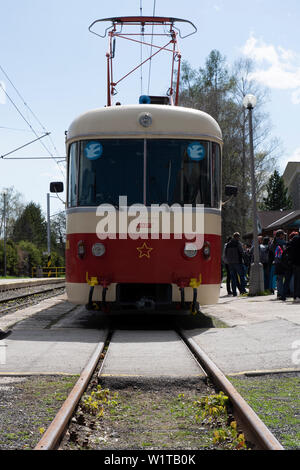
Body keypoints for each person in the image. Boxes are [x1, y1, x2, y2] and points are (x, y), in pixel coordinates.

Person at [225, 232, 247, 296]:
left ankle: (234, 292)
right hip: (238, 262)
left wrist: (228, 261)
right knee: (241, 277)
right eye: (239, 237)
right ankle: (242, 291)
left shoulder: (228, 244)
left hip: (230, 263)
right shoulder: (238, 243)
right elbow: (242, 252)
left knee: (233, 278)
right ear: (237, 237)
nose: (239, 238)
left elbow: (226, 253)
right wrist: (245, 260)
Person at [271, 229, 287, 300]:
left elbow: (271, 250)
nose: (284, 236)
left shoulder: (273, 243)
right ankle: (283, 293)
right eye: (283, 235)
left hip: (276, 262)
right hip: (283, 262)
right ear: (281, 235)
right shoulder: (283, 242)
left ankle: (279, 294)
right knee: (284, 278)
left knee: (279, 278)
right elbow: (285, 251)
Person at [289, 230, 300, 302]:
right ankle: (297, 295)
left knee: (296, 280)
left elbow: (291, 250)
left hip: (295, 263)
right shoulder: (297, 239)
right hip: (298, 262)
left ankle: (296, 296)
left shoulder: (295, 239)